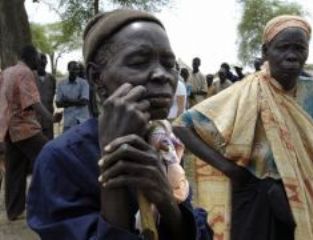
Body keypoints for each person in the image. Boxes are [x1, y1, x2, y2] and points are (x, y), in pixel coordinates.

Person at [28, 9, 212, 240]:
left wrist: (166, 199)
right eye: (138, 62)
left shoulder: (163, 143)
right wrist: (113, 160)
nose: (162, 75)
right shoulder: (60, 158)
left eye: (169, 64)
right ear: (96, 78)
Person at [174, 15, 313, 240]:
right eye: (283, 48)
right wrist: (230, 169)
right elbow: (182, 127)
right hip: (253, 192)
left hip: (301, 189)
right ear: (266, 51)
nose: (292, 56)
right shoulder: (245, 92)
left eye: (299, 48)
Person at [0, 45, 52, 221]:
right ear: (30, 58)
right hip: (24, 128)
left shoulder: (7, 72)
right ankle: (47, 204)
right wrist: (51, 118)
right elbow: (33, 101)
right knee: (50, 156)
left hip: (9, 129)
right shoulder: (25, 72)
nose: (40, 61)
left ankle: (14, 211)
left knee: (14, 171)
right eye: (38, 58)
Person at [55, 61, 90, 132]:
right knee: (69, 142)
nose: (76, 71)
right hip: (68, 122)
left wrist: (67, 101)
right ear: (68, 69)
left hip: (82, 121)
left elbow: (84, 102)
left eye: (77, 69)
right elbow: (58, 104)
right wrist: (77, 101)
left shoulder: (83, 83)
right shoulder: (61, 84)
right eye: (73, 69)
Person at [36, 53, 58, 139]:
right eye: (40, 62)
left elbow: (53, 94)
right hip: (35, 118)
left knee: (49, 140)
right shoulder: (31, 77)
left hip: (48, 115)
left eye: (44, 62)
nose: (42, 64)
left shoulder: (51, 78)